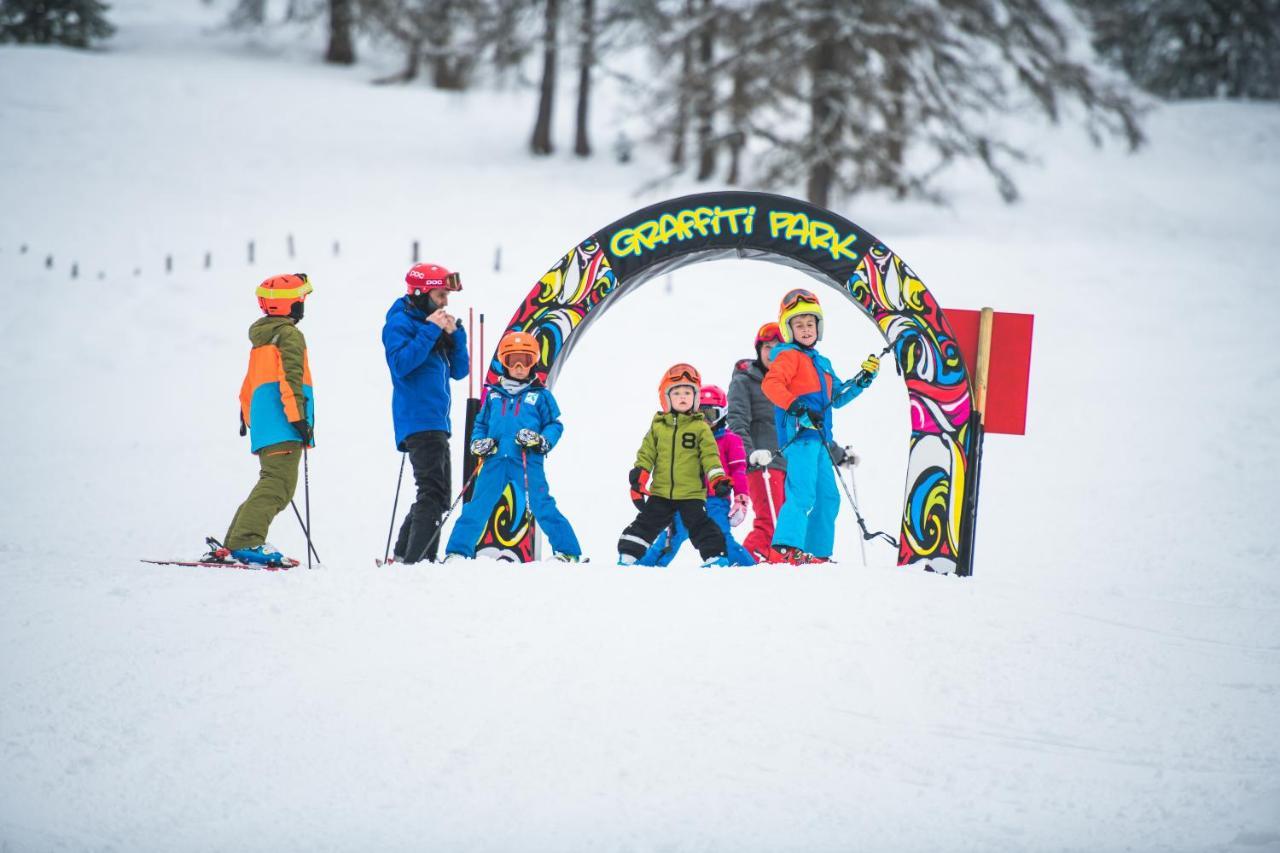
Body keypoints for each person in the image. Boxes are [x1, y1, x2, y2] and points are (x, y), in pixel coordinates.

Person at [761, 288, 880, 564]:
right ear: (789, 329)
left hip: (821, 442)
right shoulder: (788, 356)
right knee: (802, 493)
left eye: (810, 323)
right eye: (799, 324)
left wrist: (863, 379)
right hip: (800, 438)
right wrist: (797, 408)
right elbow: (771, 385)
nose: (805, 329)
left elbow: (836, 398)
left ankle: (816, 554)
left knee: (829, 497)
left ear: (819, 327)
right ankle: (785, 549)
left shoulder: (822, 362)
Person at [442, 331, 583, 562]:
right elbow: (480, 425)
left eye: (525, 360)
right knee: (477, 506)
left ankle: (568, 552)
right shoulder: (493, 396)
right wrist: (479, 443)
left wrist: (540, 440)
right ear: (504, 363)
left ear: (533, 363)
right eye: (512, 360)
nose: (519, 366)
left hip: (527, 460)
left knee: (541, 504)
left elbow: (554, 425)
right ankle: (458, 552)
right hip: (495, 460)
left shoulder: (540, 396)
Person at [219, 273, 315, 567]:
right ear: (288, 305)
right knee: (278, 486)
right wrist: (299, 418)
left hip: (265, 424)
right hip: (284, 422)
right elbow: (291, 378)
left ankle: (234, 542)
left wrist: (249, 417)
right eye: (300, 300)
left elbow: (249, 386)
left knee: (271, 481)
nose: (302, 305)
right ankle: (246, 540)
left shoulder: (262, 339)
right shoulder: (288, 335)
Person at [382, 262, 469, 564]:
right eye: (440, 295)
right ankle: (419, 561)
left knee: (438, 496)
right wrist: (431, 329)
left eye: (446, 295)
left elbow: (460, 370)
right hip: (418, 420)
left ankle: (404, 554)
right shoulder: (400, 323)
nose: (445, 302)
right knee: (433, 493)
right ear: (421, 293)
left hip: (437, 421)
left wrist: (455, 334)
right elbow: (401, 364)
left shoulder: (430, 325)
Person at [617, 364, 732, 567]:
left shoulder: (700, 428)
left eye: (688, 392)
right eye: (677, 392)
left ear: (695, 398)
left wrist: (718, 479)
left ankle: (715, 556)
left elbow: (710, 458)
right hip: (661, 492)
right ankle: (628, 555)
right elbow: (646, 454)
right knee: (647, 521)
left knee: (699, 524)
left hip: (691, 494)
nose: (682, 397)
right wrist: (639, 478)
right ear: (666, 397)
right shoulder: (658, 427)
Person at [639, 384, 755, 566]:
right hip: (687, 499)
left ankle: (747, 569)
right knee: (671, 536)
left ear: (723, 413)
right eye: (699, 413)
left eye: (711, 415)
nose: (705, 421)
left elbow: (738, 471)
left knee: (720, 536)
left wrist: (741, 500)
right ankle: (644, 567)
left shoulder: (731, 440)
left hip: (715, 500)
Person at [727, 321, 788, 561]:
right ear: (758, 351)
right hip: (761, 462)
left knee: (787, 524)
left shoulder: (790, 382)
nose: (772, 353)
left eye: (777, 347)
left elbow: (810, 422)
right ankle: (739, 563)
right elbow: (737, 421)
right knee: (769, 523)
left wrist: (837, 454)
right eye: (767, 347)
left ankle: (778, 564)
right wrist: (749, 455)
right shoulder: (745, 380)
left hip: (788, 462)